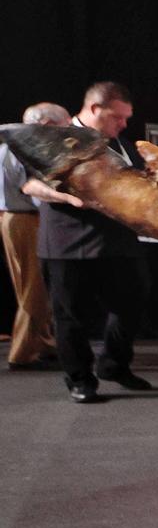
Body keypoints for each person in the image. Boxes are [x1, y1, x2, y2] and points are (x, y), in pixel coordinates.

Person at [24, 82, 153, 403]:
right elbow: (31, 186)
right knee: (70, 315)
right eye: (117, 117)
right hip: (69, 241)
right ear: (95, 108)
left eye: (126, 118)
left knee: (133, 303)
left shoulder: (123, 144)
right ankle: (80, 378)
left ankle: (113, 364)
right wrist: (66, 197)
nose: (123, 124)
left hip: (119, 240)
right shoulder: (58, 139)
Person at [1, 102, 70, 369]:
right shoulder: (24, 148)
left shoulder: (8, 145)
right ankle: (23, 354)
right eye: (63, 126)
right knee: (35, 289)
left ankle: (42, 343)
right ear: (46, 125)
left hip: (12, 218)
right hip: (26, 220)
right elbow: (31, 187)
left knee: (29, 287)